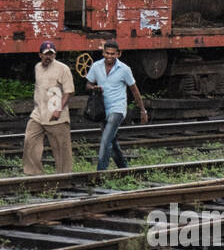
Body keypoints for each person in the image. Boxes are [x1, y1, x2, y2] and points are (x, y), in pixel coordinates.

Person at [85, 40, 148, 170]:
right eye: (107, 53)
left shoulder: (124, 69)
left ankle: (100, 173)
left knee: (105, 140)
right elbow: (88, 84)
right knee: (111, 142)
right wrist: (93, 88)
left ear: (118, 54)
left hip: (117, 109)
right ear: (103, 53)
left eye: (113, 54)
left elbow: (134, 90)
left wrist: (142, 110)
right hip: (102, 109)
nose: (110, 56)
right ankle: (124, 169)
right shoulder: (96, 66)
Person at [23, 40, 75, 174]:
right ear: (40, 55)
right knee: (30, 140)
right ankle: (34, 173)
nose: (48, 57)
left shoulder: (63, 69)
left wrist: (59, 110)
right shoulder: (37, 68)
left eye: (51, 54)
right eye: (46, 54)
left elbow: (69, 91)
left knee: (61, 149)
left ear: (55, 55)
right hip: (38, 113)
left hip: (56, 114)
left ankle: (64, 176)